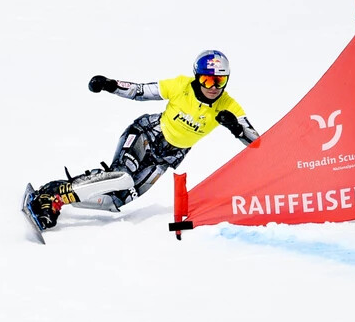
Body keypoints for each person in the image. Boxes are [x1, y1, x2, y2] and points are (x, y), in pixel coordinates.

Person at [29, 50, 260, 230]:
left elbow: (258, 143)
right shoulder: (181, 86)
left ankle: (59, 196)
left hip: (167, 158)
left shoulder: (229, 105)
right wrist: (110, 85)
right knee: (122, 177)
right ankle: (51, 195)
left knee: (113, 201)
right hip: (147, 135)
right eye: (208, 80)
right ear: (197, 77)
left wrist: (236, 128)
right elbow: (140, 91)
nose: (213, 88)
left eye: (220, 81)